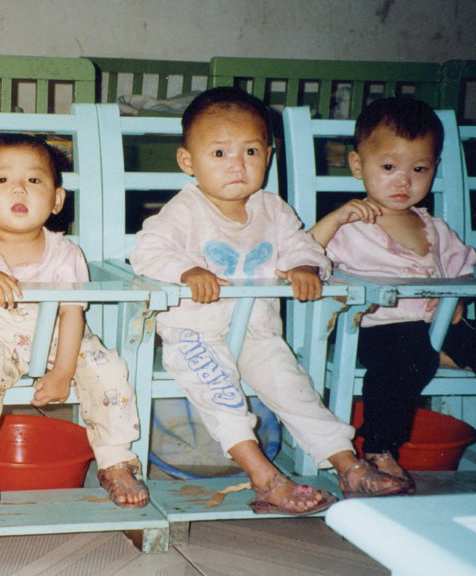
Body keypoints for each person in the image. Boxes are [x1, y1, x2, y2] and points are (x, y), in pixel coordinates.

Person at [130, 87, 412, 516]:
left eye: (250, 152)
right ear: (188, 162)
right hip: (195, 332)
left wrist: (304, 267)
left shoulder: (272, 209)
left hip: (258, 332)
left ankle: (347, 465)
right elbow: (146, 251)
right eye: (219, 154)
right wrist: (186, 271)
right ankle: (266, 479)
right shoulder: (185, 210)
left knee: (296, 391)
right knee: (223, 395)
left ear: (269, 153)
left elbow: (304, 246)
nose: (237, 165)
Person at [310, 96, 476, 479]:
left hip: (442, 327)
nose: (403, 181)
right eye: (389, 166)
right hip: (375, 330)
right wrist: (332, 219)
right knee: (410, 353)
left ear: (434, 169)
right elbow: (302, 254)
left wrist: (456, 295)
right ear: (358, 165)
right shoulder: (349, 225)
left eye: (419, 168)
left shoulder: (436, 228)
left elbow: (462, 269)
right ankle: (379, 447)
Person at [0, 133, 148, 512]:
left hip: (59, 340)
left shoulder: (66, 252)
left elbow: (71, 313)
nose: (19, 189)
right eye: (2, 180)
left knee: (108, 370)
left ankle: (115, 459)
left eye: (34, 180)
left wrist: (64, 371)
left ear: (56, 200)